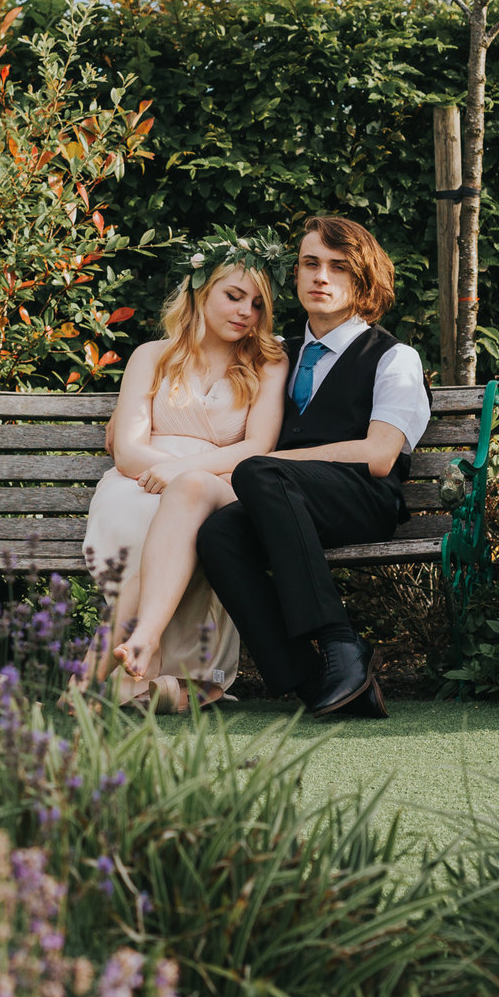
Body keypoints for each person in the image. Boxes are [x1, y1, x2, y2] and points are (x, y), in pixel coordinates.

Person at [195, 216, 429, 719]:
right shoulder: (276, 354)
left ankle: (342, 644)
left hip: (360, 499)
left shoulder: (394, 357)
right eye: (310, 264)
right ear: (296, 276)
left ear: (362, 281)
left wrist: (271, 462)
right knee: (218, 533)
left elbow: (380, 454)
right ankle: (310, 680)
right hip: (280, 502)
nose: (321, 276)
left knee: (259, 472)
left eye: (339, 267)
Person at [82, 236, 290, 710]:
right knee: (143, 522)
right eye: (233, 296)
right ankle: (154, 681)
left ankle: (100, 677)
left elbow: (258, 447)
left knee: (195, 519)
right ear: (200, 291)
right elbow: (130, 451)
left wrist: (184, 471)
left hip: (217, 486)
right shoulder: (152, 355)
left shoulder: (266, 364)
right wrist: (166, 472)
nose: (245, 313)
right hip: (137, 483)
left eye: (257, 304)